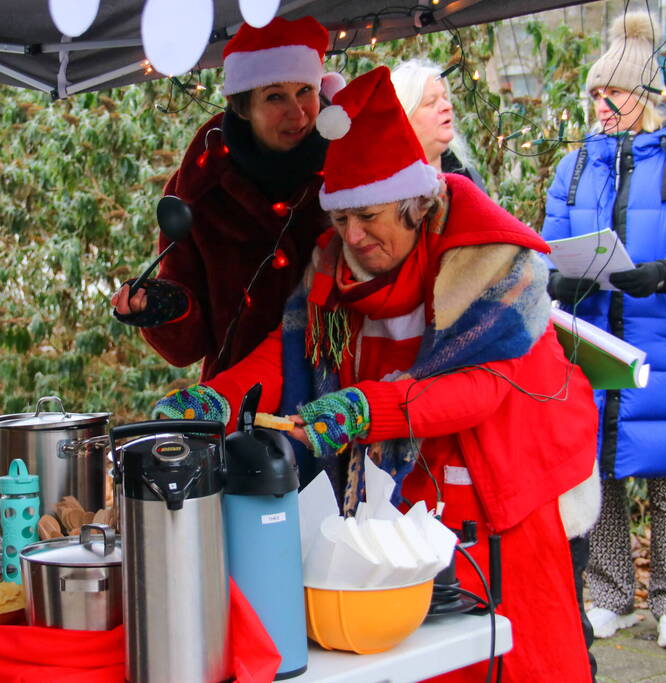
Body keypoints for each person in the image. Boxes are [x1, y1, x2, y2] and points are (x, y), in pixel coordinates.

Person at [154, 65, 597, 682]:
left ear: (415, 204)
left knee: (507, 649)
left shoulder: (491, 260)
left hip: (500, 479)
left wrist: (364, 409)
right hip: (401, 479)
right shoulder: (332, 265)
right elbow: (289, 352)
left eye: (368, 217)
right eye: (340, 220)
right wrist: (218, 400)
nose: (353, 237)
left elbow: (481, 388)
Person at [542, 12, 666, 651]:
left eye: (611, 92)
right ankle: (611, 596)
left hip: (661, 341)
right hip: (592, 342)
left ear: (641, 97)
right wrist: (557, 280)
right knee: (602, 471)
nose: (600, 104)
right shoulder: (576, 166)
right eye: (595, 93)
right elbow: (547, 245)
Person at [111, 17, 343, 381]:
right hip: (240, 396)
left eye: (305, 91)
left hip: (344, 395)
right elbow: (187, 346)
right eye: (275, 96)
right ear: (243, 106)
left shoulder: (351, 165)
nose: (298, 113)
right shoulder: (200, 189)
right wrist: (163, 306)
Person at [390, 59, 484, 190]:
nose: (447, 106)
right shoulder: (386, 192)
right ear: (403, 118)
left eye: (445, 98)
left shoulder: (468, 177)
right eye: (431, 102)